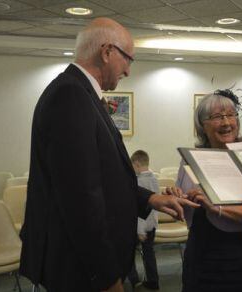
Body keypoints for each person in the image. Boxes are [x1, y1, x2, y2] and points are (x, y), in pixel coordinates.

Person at [19, 18, 198, 292]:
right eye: (128, 59)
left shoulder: (81, 93)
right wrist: (105, 277)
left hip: (83, 263)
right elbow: (81, 199)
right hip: (80, 268)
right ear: (106, 52)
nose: (128, 70)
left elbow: (107, 177)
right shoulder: (70, 95)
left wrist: (150, 197)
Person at [170, 89, 242, 292]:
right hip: (202, 260)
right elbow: (184, 215)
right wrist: (177, 198)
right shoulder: (191, 159)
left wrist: (217, 208)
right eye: (216, 117)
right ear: (202, 127)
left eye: (231, 115)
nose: (226, 123)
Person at [127, 150, 160, 290]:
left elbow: (138, 210)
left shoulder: (137, 181)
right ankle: (153, 281)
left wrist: (140, 230)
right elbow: (155, 206)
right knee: (149, 253)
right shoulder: (154, 178)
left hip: (139, 227)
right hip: (151, 225)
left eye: (132, 166)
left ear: (137, 164)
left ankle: (134, 281)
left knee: (128, 254)